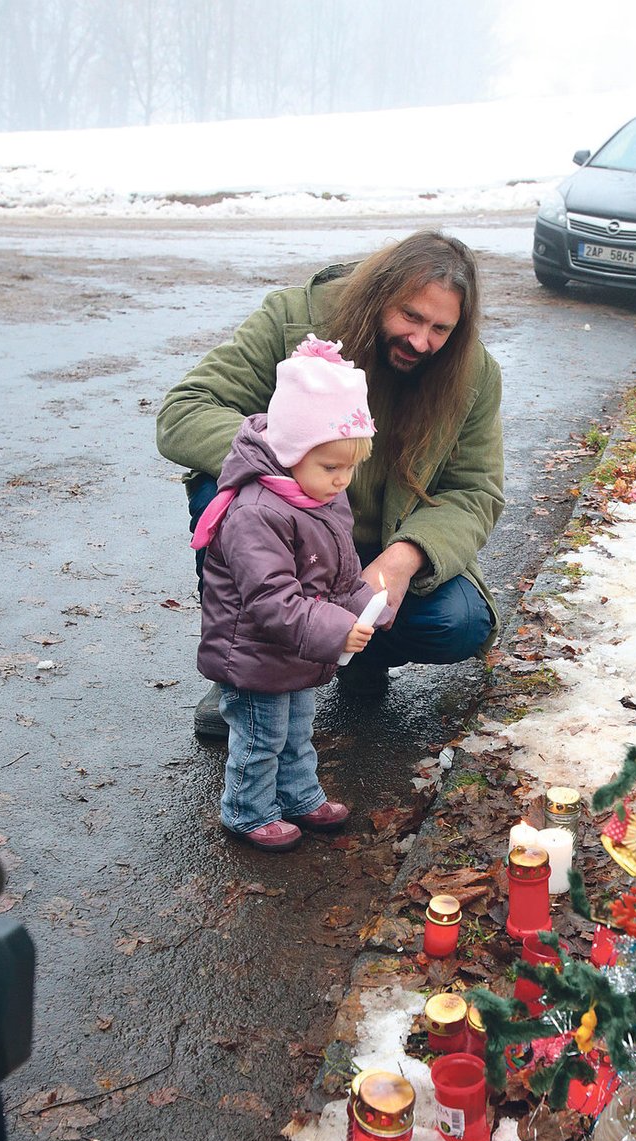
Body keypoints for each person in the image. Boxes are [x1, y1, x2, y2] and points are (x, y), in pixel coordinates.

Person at [156, 231, 505, 740]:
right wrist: (290, 464)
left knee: (460, 622)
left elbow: (474, 491)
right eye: (409, 316)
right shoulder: (293, 319)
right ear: (375, 295)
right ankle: (244, 674)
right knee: (224, 495)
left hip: (380, 544)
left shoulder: (472, 373)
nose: (421, 341)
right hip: (288, 532)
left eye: (440, 328)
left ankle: (350, 653)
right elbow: (185, 410)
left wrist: (405, 557)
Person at [195, 335, 379, 852]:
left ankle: (299, 796)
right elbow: (271, 599)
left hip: (296, 648)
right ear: (292, 450)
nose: (342, 480)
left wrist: (363, 602)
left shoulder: (318, 495)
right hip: (257, 652)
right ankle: (247, 810)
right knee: (260, 737)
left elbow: (334, 576)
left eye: (351, 468)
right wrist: (339, 628)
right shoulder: (259, 512)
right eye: (331, 467)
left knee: (298, 728)